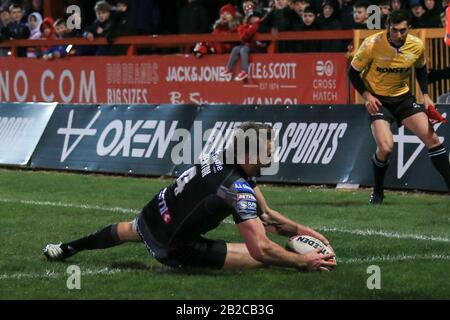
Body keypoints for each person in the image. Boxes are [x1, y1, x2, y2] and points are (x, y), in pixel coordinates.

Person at [44, 123, 336, 272]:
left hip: (152, 215)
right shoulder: (237, 189)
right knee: (264, 258)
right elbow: (261, 248)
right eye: (268, 151)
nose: (273, 156)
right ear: (250, 154)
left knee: (125, 230)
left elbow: (268, 216)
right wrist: (301, 262)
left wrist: (306, 232)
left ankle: (66, 248)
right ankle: (173, 255)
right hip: (173, 246)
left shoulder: (222, 158)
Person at [348, 10, 450, 204]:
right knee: (385, 148)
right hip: (378, 100)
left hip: (403, 99)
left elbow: (421, 69)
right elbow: (352, 73)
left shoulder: (416, 45)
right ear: (388, 27)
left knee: (433, 139)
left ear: (408, 29)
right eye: (394, 30)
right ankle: (378, 191)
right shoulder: (372, 44)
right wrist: (367, 96)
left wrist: (426, 96)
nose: (398, 35)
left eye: (403, 30)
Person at [221, 11, 267, 82]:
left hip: (260, 48)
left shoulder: (261, 25)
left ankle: (244, 71)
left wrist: (255, 24)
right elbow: (244, 37)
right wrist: (249, 27)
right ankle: (229, 68)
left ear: (259, 18)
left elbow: (250, 35)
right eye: (250, 18)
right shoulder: (248, 26)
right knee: (236, 48)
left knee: (243, 49)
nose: (252, 19)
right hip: (251, 46)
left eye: (254, 17)